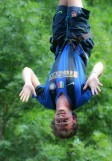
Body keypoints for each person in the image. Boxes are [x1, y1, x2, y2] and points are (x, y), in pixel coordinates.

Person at [19, 0, 104, 138]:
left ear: (54, 120)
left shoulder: (47, 100)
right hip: (79, 38)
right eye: (65, 121)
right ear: (73, 119)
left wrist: (28, 83)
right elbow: (100, 64)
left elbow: (27, 70)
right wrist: (94, 75)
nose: (61, 118)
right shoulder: (80, 98)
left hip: (59, 40)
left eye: (59, 121)